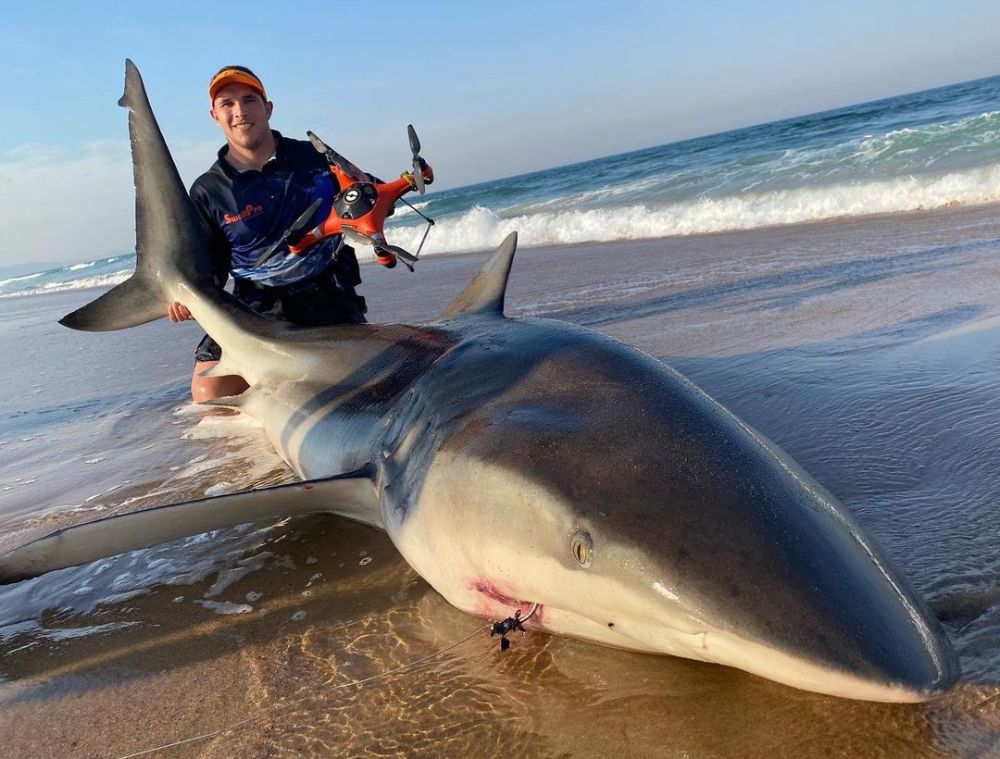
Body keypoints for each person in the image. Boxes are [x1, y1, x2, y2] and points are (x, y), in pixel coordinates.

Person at [169, 65, 367, 402]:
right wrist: (183, 296)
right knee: (208, 392)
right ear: (215, 116)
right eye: (227, 104)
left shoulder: (315, 157)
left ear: (268, 108)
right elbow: (208, 272)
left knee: (366, 389)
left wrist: (373, 197)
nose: (240, 112)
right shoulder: (208, 191)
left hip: (328, 296)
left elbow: (366, 199)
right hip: (254, 307)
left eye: (249, 100)